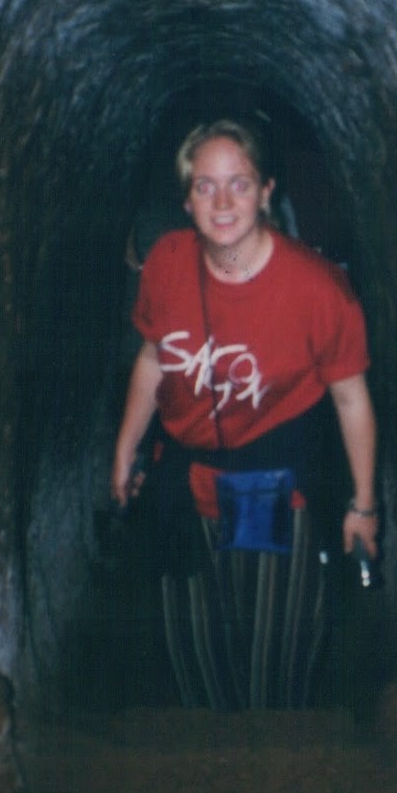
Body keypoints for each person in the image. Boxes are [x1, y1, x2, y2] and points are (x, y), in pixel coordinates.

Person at [111, 118, 378, 709]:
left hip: (270, 486)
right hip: (183, 487)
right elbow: (154, 358)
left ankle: (274, 785)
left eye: (239, 183)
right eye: (206, 186)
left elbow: (351, 397)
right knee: (197, 666)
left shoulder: (316, 288)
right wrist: (126, 452)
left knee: (272, 671)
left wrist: (362, 505)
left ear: (266, 192)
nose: (223, 201)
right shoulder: (167, 263)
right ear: (187, 200)